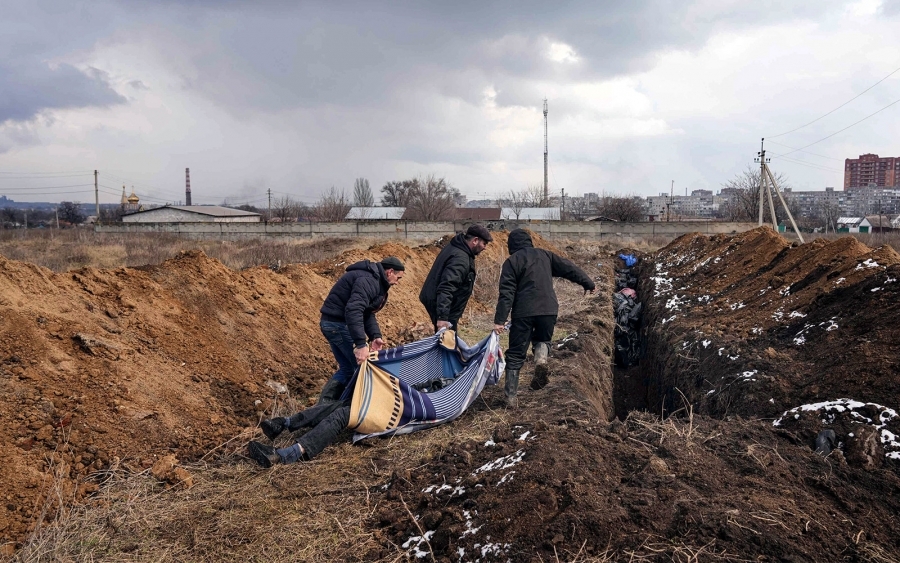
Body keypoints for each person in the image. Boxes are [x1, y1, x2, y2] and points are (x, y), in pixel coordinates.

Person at [492, 229, 595, 408]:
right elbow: (569, 268)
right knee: (543, 339)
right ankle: (540, 360)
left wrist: (500, 320)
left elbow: (506, 293)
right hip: (548, 309)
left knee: (516, 353)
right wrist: (588, 283)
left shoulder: (511, 262)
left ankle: (510, 398)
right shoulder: (545, 255)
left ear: (511, 245)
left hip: (524, 312)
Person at [316, 256, 405, 403]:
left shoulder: (374, 280)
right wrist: (361, 344)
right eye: (398, 277)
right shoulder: (369, 280)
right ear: (389, 272)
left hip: (332, 324)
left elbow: (366, 311)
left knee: (347, 369)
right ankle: (355, 408)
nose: (398, 282)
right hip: (338, 325)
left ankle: (324, 407)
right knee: (362, 368)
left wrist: (375, 335)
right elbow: (354, 310)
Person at [419, 224, 493, 332]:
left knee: (449, 341)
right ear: (475, 240)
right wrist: (442, 317)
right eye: (484, 243)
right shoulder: (460, 259)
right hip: (443, 307)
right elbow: (447, 286)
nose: (485, 248)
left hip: (442, 305)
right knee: (447, 342)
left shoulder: (457, 248)